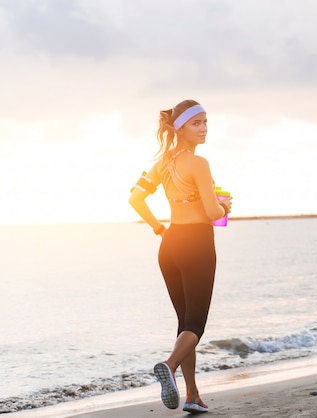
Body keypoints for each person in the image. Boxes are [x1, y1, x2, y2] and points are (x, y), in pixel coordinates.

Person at [128, 99, 232, 413]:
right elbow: (213, 212)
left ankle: (192, 395)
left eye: (205, 122)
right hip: (197, 243)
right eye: (196, 123)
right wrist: (223, 205)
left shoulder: (162, 163)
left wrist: (159, 228)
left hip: (170, 244)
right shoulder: (199, 164)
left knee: (184, 325)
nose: (203, 129)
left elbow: (135, 198)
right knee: (196, 324)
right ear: (181, 128)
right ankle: (169, 365)